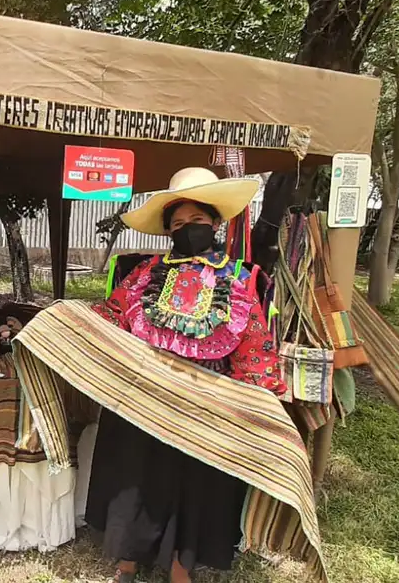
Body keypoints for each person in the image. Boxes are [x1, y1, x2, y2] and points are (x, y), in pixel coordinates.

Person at [86, 167, 286, 583]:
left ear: (215, 223)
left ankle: (182, 567)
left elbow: (253, 340)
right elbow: (112, 318)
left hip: (206, 400)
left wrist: (258, 396)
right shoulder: (143, 274)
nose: (188, 229)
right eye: (178, 224)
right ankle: (127, 560)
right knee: (135, 475)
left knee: (196, 482)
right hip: (146, 396)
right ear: (166, 231)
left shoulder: (241, 278)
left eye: (197, 221)